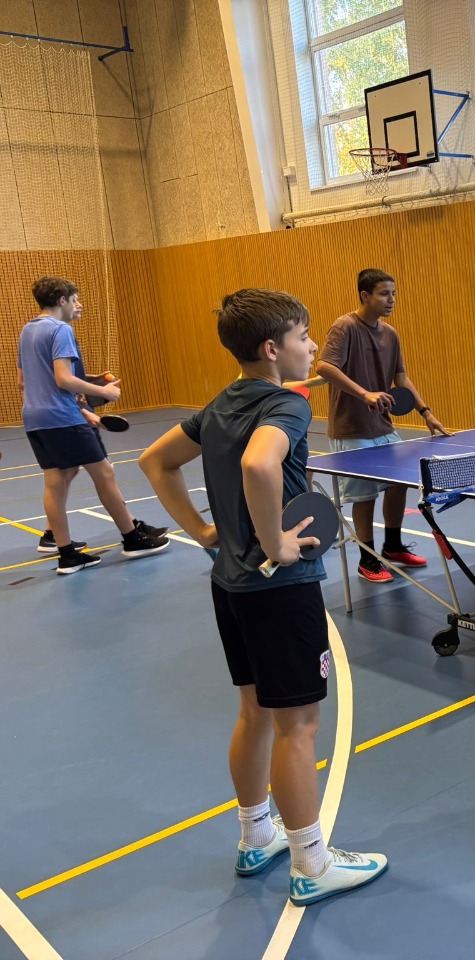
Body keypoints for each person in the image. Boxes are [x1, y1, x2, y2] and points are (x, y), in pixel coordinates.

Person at [139, 288, 387, 905]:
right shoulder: (287, 405)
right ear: (273, 349)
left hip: (231, 586)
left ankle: (256, 837)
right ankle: (312, 863)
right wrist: (276, 541)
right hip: (281, 590)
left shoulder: (220, 403)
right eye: (304, 337)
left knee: (254, 713)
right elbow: (259, 465)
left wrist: (202, 532)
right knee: (298, 726)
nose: (312, 346)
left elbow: (155, 461)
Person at [17, 276, 169, 573]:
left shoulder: (28, 330)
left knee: (57, 480)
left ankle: (64, 552)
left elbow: (25, 381)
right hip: (62, 417)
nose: (79, 304)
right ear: (62, 300)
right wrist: (105, 392)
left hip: (35, 418)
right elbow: (63, 379)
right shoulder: (60, 329)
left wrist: (85, 390)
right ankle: (132, 538)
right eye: (74, 299)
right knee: (105, 473)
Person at [315, 268, 450, 584]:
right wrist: (364, 393)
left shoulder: (391, 334)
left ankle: (393, 546)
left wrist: (426, 412)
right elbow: (323, 366)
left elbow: (401, 378)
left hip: (382, 426)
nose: (391, 300)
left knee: (398, 483)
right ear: (365, 295)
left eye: (394, 294)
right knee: (364, 496)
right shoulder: (345, 326)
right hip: (351, 427)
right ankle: (367, 560)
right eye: (384, 294)